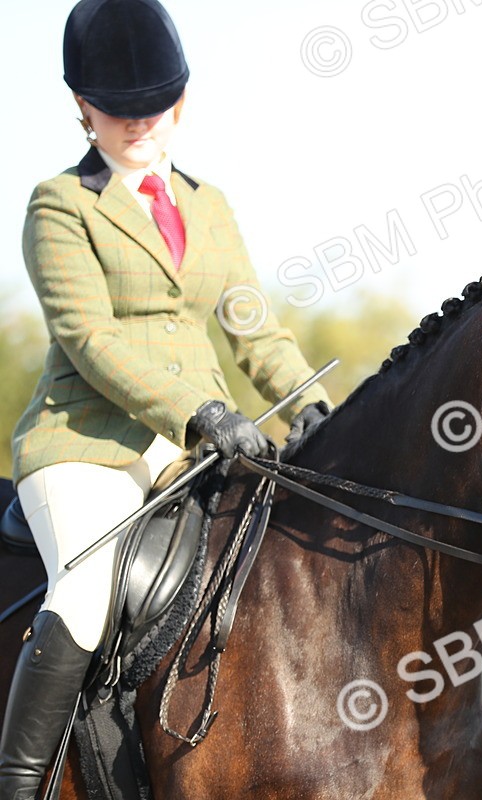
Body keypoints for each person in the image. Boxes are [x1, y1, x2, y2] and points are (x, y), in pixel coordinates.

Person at [0, 0, 333, 795]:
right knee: (84, 591)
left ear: (178, 101)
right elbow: (91, 341)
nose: (138, 125)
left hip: (194, 449)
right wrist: (202, 412)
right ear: (82, 106)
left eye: (152, 108)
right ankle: (17, 780)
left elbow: (253, 326)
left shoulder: (207, 204)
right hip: (87, 445)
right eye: (119, 113)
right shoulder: (61, 205)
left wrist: (309, 406)